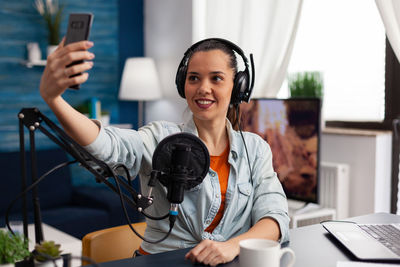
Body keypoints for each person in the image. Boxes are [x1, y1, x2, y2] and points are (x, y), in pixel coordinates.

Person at [39, 37, 290, 266]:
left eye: (216, 78)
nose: (203, 88)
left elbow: (275, 216)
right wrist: (55, 100)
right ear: (183, 85)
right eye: (194, 78)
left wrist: (231, 246)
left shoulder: (256, 149)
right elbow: (108, 144)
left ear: (237, 87)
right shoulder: (160, 137)